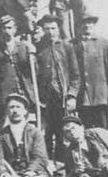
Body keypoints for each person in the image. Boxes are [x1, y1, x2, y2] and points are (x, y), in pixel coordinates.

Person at [34, 14, 80, 161]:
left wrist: (72, 96)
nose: (50, 32)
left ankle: (63, 164)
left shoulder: (67, 46)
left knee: (64, 132)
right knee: (46, 133)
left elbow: (75, 74)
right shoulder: (38, 48)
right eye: (47, 29)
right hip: (45, 99)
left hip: (63, 97)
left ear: (58, 28)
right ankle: (46, 164)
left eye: (53, 28)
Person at [0, 15, 36, 125]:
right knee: (6, 127)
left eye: (9, 28)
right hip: (4, 98)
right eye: (4, 28)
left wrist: (33, 55)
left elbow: (33, 72)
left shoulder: (24, 47)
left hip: (23, 94)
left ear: (15, 29)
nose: (7, 31)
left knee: (24, 127)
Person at [73, 14, 108, 129]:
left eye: (90, 22)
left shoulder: (104, 44)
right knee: (85, 128)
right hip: (82, 95)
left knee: (102, 128)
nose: (87, 25)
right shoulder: (73, 45)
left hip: (100, 95)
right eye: (84, 23)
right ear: (78, 26)